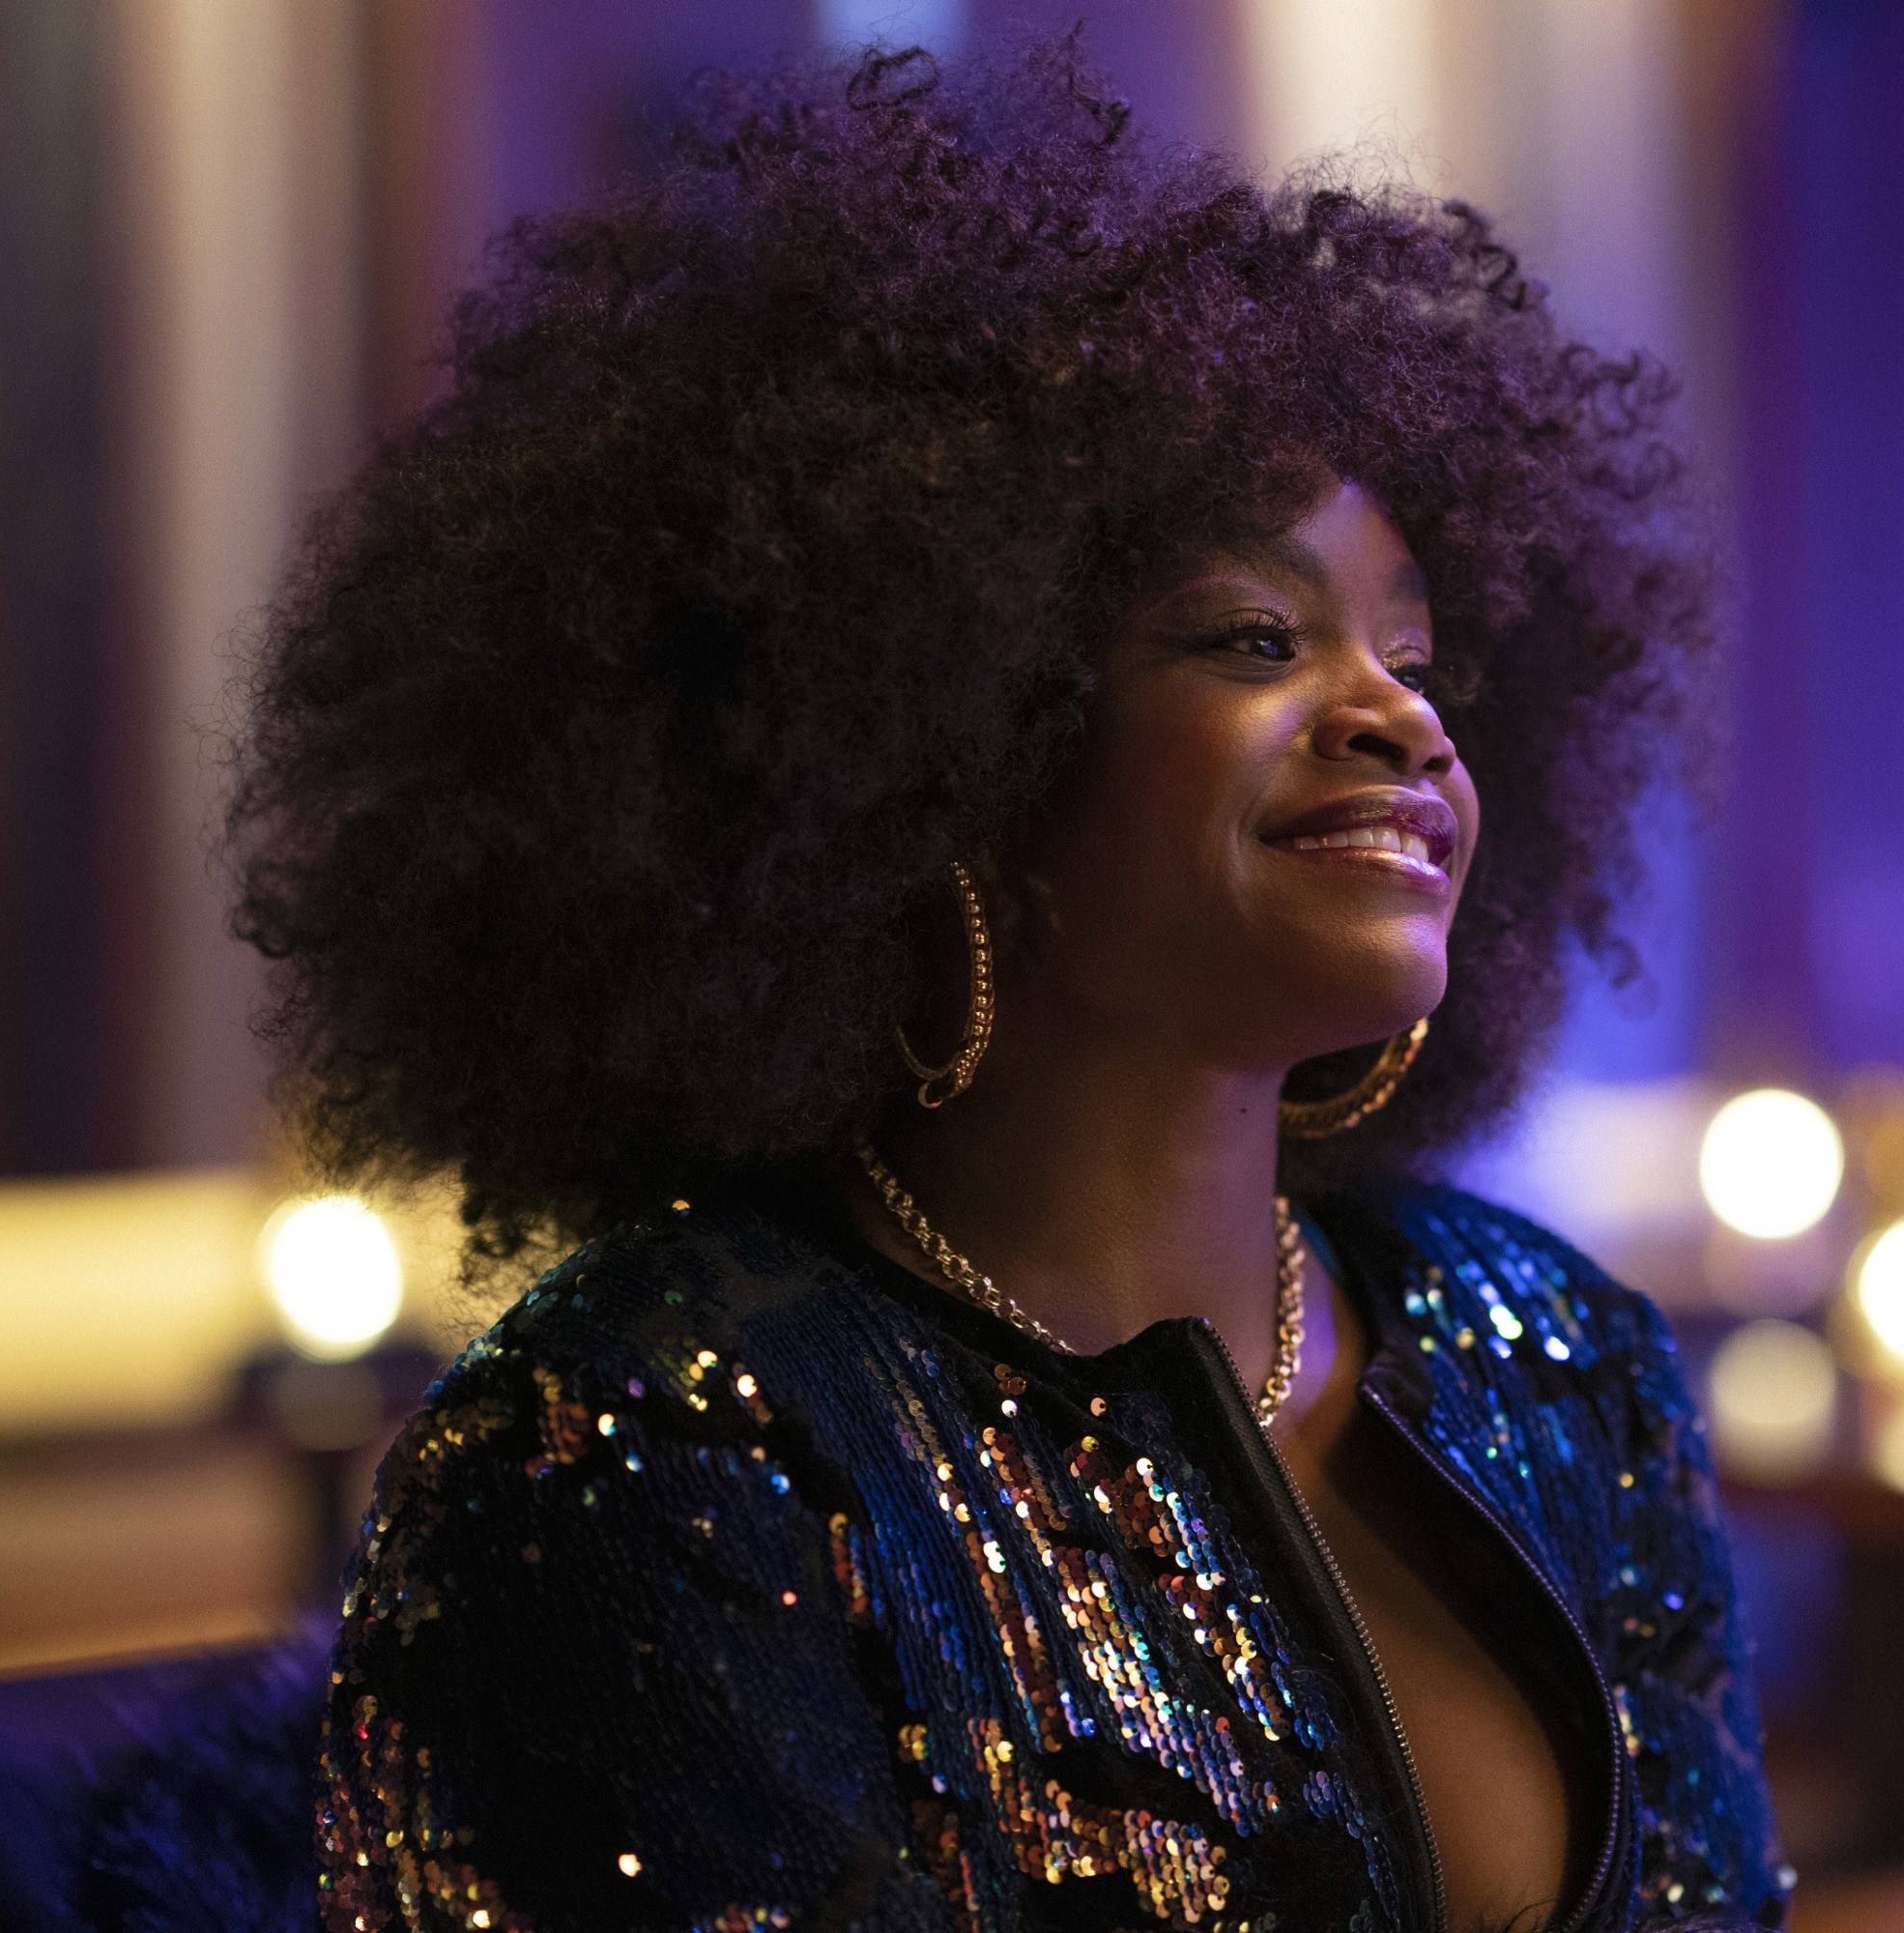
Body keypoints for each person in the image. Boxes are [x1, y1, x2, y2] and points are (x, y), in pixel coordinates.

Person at [228, 40, 1784, 1933]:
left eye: (1422, 655)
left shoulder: (1557, 1363)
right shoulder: (645, 1451)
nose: (1401, 720)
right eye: (1255, 636)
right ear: (951, 750)